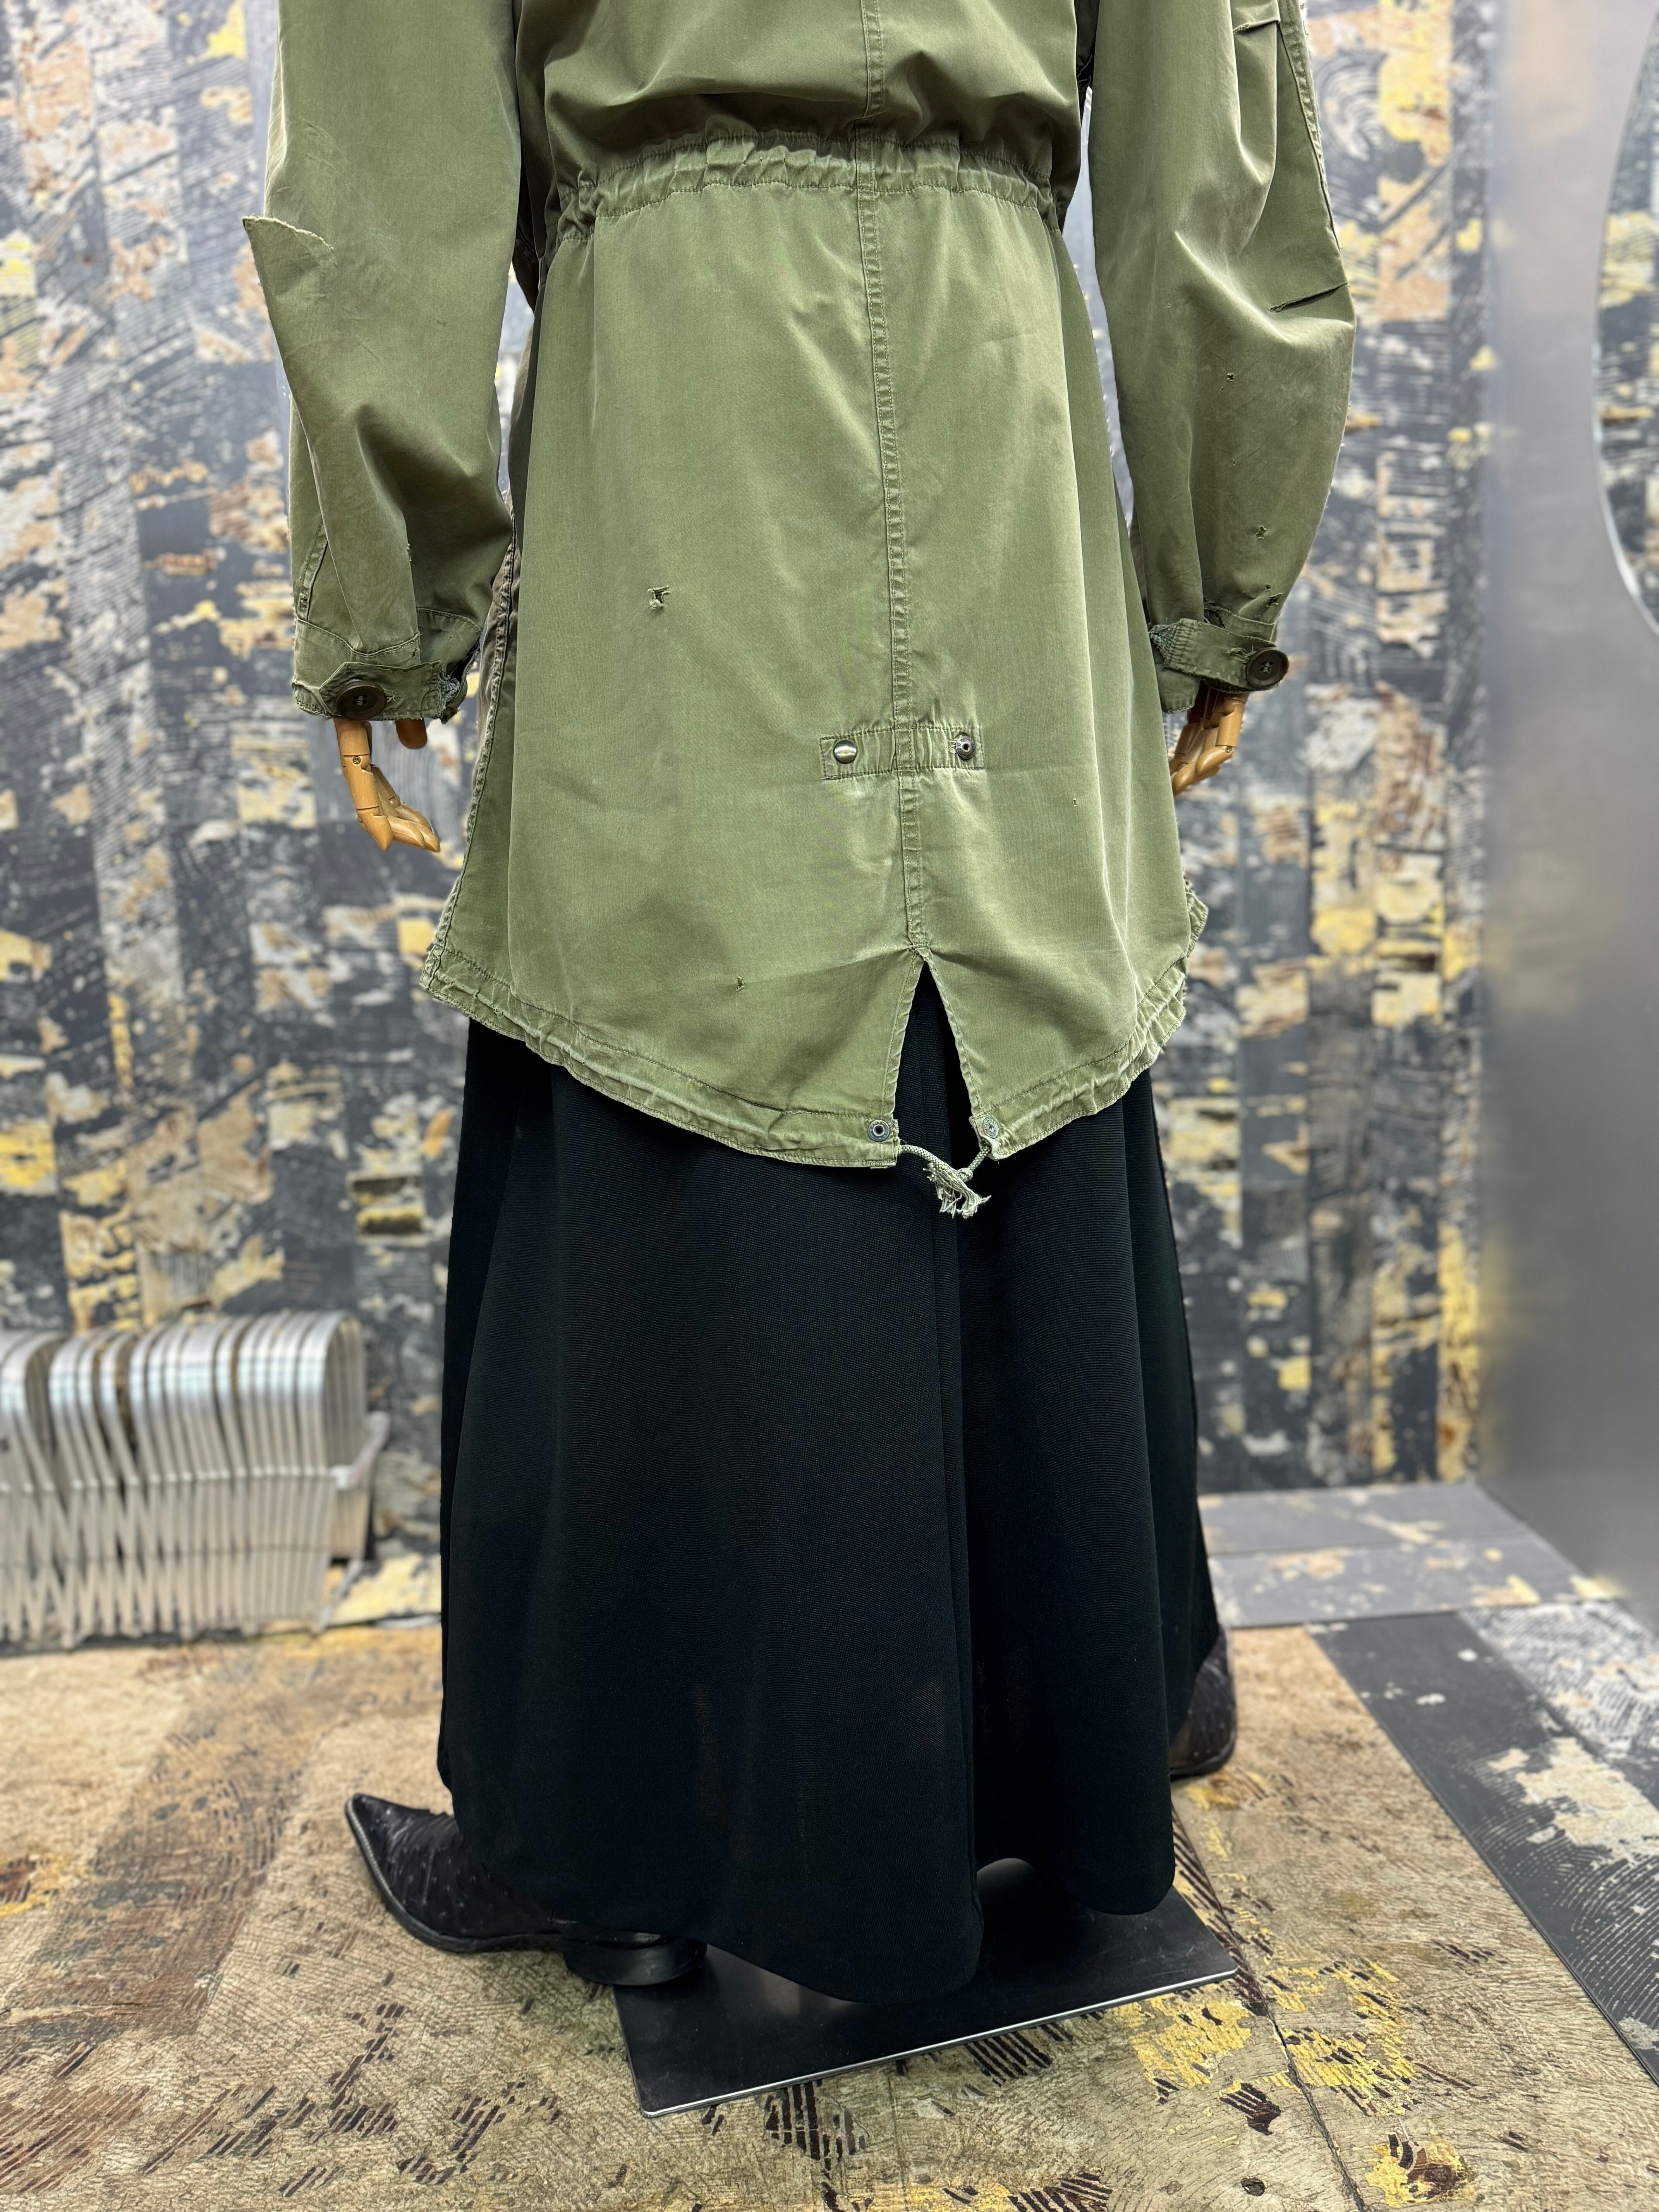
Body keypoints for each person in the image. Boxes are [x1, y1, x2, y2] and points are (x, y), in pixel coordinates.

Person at [248, 0, 1351, 2004]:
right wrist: (1221, 570)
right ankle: (1094, 1734)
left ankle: (619, 1842)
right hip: (995, 377)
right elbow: (1215, 147)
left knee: (673, 1006)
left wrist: (389, 594)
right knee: (1001, 996)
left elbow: (390, 136)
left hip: (680, 393)